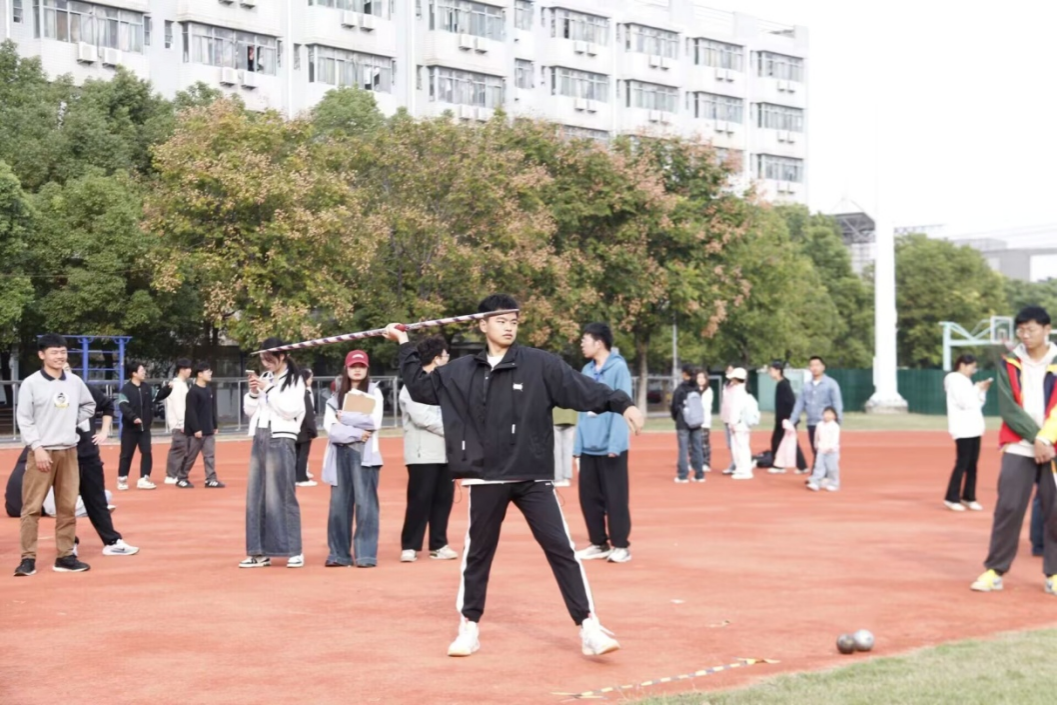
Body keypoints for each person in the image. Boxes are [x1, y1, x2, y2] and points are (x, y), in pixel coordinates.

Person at [386, 295, 645, 658]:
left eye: (514, 321)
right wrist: (404, 343)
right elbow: (420, 388)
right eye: (501, 320)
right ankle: (469, 627)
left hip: (532, 475)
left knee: (561, 549)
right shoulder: (461, 371)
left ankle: (588, 627)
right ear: (482, 324)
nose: (509, 327)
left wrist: (622, 403)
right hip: (486, 476)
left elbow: (583, 389)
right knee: (478, 554)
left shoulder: (540, 364)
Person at [972, 306, 1056, 596]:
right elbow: (1008, 408)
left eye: (1031, 329)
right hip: (1019, 445)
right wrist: (1037, 439)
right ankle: (995, 570)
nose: (1025, 335)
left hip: (1054, 445)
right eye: (1021, 330)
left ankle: (1054, 573)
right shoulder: (1009, 362)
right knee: (1008, 507)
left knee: (1055, 510)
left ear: (1047, 329)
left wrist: (1047, 439)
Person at [14, 334, 96, 577]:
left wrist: (70, 421)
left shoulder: (74, 382)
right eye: (54, 352)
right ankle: (27, 558)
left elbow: (89, 406)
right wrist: (37, 447)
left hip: (69, 451)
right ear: (42, 355)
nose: (60, 356)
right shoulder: (31, 383)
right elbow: (24, 419)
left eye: (63, 352)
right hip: (42, 452)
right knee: (32, 507)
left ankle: (65, 556)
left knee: (67, 506)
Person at [240, 339, 307, 569]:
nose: (266, 363)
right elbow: (250, 411)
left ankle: (294, 550)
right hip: (259, 436)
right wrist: (253, 392)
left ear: (283, 356)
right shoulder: (266, 378)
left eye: (270, 359)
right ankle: (258, 552)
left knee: (283, 495)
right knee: (255, 496)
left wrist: (268, 389)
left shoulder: (295, 380)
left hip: (281, 437)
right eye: (263, 359)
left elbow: (289, 410)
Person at [573, 323, 635, 564]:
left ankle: (621, 546)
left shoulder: (618, 368)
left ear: (599, 343)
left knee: (615, 498)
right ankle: (598, 543)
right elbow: (581, 409)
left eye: (585, 340)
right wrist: (577, 446)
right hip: (588, 446)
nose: (582, 344)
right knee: (589, 498)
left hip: (611, 447)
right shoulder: (586, 370)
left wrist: (615, 444)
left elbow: (624, 405)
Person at [323, 350, 384, 568]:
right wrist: (358, 432)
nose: (357, 370)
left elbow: (374, 422)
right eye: (353, 366)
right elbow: (331, 430)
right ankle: (338, 554)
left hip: (365, 455)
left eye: (361, 366)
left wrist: (344, 418)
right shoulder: (335, 397)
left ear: (367, 369)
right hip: (339, 454)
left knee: (366, 506)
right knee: (338, 507)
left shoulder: (374, 393)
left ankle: (365, 555)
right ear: (346, 369)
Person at [400, 335, 458, 563]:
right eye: (446, 356)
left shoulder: (445, 385)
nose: (448, 360)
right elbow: (423, 418)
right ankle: (410, 545)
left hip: (446, 453)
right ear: (436, 358)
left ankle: (439, 543)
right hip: (422, 454)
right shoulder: (413, 385)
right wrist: (455, 429)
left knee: (444, 499)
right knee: (419, 500)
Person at [117, 362, 174, 491]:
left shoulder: (147, 388)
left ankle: (144, 478)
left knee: (147, 452)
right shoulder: (126, 389)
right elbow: (123, 406)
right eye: (141, 370)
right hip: (130, 429)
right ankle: (122, 478)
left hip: (145, 429)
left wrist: (167, 389)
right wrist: (133, 417)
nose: (144, 372)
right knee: (126, 454)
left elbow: (157, 396)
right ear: (134, 373)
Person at [944, 354, 991, 512]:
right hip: (962, 429)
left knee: (972, 465)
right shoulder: (954, 380)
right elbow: (965, 402)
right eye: (972, 367)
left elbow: (977, 404)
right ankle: (951, 497)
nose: (973, 371)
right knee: (962, 463)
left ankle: (969, 497)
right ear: (962, 365)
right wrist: (977, 389)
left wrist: (982, 391)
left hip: (974, 428)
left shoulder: (966, 382)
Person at [789, 356, 844, 473]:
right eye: (812, 365)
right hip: (812, 423)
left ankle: (819, 476)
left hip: (827, 424)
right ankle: (820, 475)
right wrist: (792, 421)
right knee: (816, 449)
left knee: (824, 451)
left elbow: (837, 403)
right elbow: (799, 403)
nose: (814, 368)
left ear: (823, 367)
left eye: (817, 365)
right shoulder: (806, 386)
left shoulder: (831, 384)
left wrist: (838, 420)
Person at [179, 362, 226, 489]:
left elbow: (211, 409)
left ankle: (211, 479)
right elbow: (191, 412)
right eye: (207, 372)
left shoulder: (209, 390)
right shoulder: (193, 392)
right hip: (196, 432)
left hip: (208, 430)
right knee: (190, 456)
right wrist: (196, 429)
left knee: (209, 456)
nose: (210, 374)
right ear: (200, 374)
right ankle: (182, 478)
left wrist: (214, 425)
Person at [768, 362, 807, 474]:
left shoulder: (783, 385)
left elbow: (790, 402)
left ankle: (779, 466)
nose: (770, 373)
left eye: (771, 370)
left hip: (785, 420)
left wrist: (790, 420)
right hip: (783, 419)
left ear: (778, 371)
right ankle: (800, 466)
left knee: (779, 441)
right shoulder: (782, 384)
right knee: (783, 441)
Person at [671, 365, 706, 484]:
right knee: (697, 448)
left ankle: (683, 475)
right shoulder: (696, 388)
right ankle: (699, 474)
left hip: (683, 422)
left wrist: (677, 418)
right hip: (696, 422)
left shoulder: (680, 389)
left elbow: (674, 407)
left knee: (683, 449)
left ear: (684, 374)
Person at [163, 359, 193, 486]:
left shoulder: (182, 384)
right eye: (188, 368)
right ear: (181, 370)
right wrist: (182, 423)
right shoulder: (176, 385)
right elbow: (178, 406)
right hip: (178, 424)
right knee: (178, 448)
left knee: (184, 448)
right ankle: (171, 475)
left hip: (182, 423)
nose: (190, 371)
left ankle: (177, 473)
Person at [725, 368, 756, 481]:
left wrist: (733, 423)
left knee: (741, 447)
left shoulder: (739, 392)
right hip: (739, 424)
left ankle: (745, 470)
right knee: (739, 447)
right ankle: (741, 468)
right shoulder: (741, 391)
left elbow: (736, 410)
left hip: (739, 424)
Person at [806, 407, 842, 492]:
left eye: (830, 414)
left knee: (832, 468)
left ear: (834, 416)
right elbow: (816, 436)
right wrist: (816, 446)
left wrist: (830, 447)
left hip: (832, 452)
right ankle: (815, 483)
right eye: (826, 413)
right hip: (821, 450)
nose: (827, 415)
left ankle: (834, 484)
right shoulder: (819, 425)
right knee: (818, 467)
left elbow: (835, 439)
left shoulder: (835, 426)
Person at [295, 370, 319, 488]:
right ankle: (301, 478)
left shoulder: (295, 392)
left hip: (295, 429)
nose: (311, 380)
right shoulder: (304, 393)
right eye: (310, 378)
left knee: (296, 454)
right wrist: (313, 430)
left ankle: (296, 476)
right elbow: (309, 414)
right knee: (303, 455)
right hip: (304, 429)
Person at [553, 407, 579, 488]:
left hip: (555, 417)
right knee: (568, 450)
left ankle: (558, 478)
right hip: (571, 418)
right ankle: (566, 478)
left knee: (556, 450)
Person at [696, 369, 714, 474]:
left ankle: (706, 463)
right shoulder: (693, 389)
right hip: (694, 421)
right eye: (699, 377)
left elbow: (705, 406)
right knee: (693, 444)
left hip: (704, 421)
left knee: (704, 443)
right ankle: (695, 462)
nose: (701, 379)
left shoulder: (708, 391)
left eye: (703, 377)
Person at [720, 365, 738, 475]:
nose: (729, 372)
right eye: (728, 371)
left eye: (732, 370)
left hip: (734, 419)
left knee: (736, 442)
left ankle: (736, 464)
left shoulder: (739, 385)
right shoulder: (725, 385)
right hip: (726, 418)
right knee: (730, 444)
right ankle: (734, 463)